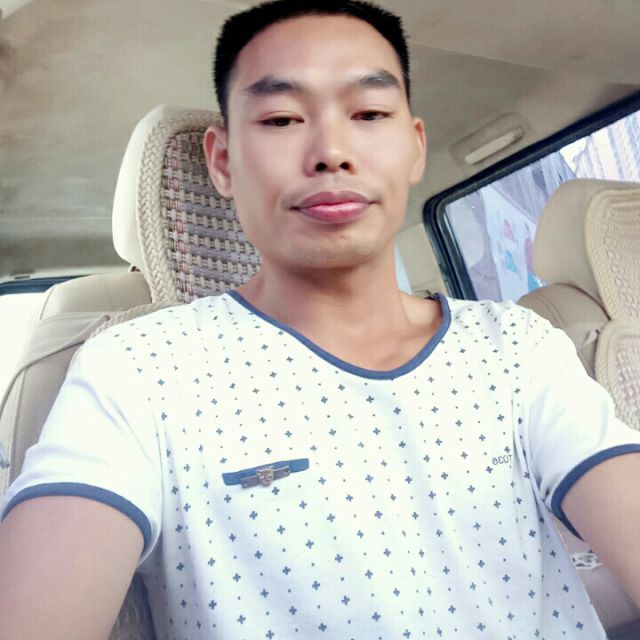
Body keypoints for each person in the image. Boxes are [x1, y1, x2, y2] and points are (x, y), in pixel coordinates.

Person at [1, 1, 640, 638]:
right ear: (223, 162)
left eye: (369, 114)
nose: (332, 151)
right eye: (281, 118)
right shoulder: (140, 370)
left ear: (414, 148)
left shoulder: (516, 347)